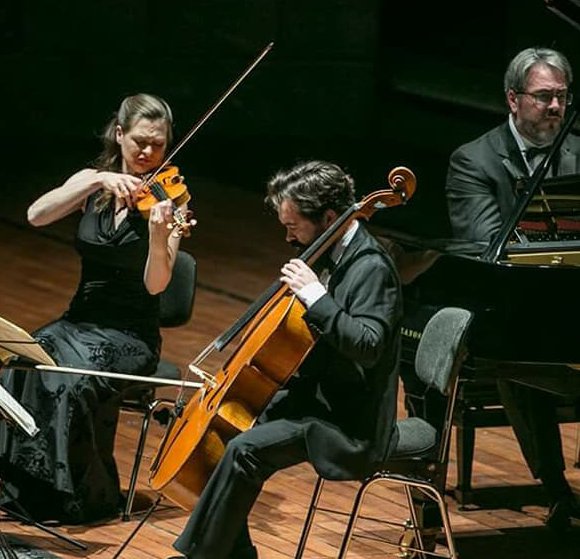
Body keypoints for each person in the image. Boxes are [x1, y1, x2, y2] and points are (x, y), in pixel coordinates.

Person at [168, 160, 402, 559]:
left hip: (347, 422)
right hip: (314, 398)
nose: (288, 236)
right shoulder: (326, 252)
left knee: (244, 451)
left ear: (328, 218)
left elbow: (368, 345)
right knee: (221, 435)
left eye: (293, 226)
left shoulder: (371, 267)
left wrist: (316, 298)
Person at [0, 93, 194, 524]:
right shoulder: (93, 182)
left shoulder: (171, 200)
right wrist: (94, 181)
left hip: (130, 335)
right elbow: (35, 216)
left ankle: (74, 498)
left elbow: (156, 285)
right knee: (20, 365)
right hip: (78, 321)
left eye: (158, 144)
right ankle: (23, 490)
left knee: (71, 383)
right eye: (140, 141)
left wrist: (159, 237)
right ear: (120, 134)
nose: (148, 152)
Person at [446, 46, 580, 530]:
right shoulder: (474, 161)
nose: (555, 107)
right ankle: (556, 489)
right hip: (512, 304)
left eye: (562, 96)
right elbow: (486, 246)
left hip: (573, 296)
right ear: (513, 98)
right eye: (543, 97)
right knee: (521, 354)